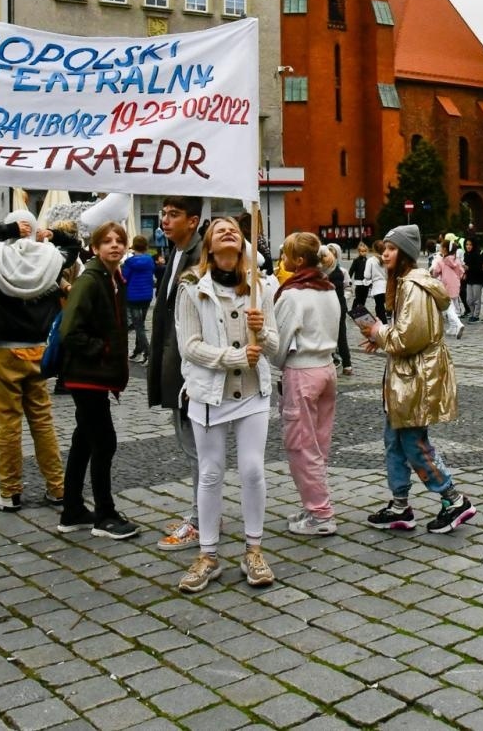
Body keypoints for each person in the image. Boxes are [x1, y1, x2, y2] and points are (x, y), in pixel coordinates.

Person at [175, 217, 280, 592]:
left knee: (252, 470)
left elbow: (276, 349)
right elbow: (189, 346)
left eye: (234, 228)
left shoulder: (261, 287)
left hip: (252, 394)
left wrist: (262, 328)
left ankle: (254, 550)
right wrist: (233, 358)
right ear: (208, 244)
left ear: (243, 243)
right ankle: (208, 555)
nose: (228, 230)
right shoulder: (192, 289)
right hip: (209, 396)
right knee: (211, 472)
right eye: (219, 228)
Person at [0, 212, 79, 512]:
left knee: (8, 424)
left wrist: (5, 228)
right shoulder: (48, 260)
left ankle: (9, 492)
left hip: (3, 351)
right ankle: (58, 488)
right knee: (42, 422)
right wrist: (52, 235)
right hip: (37, 350)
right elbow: (74, 248)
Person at [361, 225, 476, 534]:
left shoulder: (413, 286)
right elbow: (403, 335)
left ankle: (454, 499)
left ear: (406, 254)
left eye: (392, 248)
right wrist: (382, 338)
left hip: (415, 378)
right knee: (394, 441)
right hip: (403, 376)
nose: (385, 253)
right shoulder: (403, 284)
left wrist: (379, 333)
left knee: (413, 442)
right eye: (384, 247)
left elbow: (408, 338)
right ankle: (400, 505)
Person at [55, 221, 140, 540]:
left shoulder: (113, 277)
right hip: (86, 375)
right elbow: (70, 331)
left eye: (120, 241)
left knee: (84, 440)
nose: (115, 246)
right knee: (104, 442)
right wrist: (102, 350)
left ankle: (72, 509)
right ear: (95, 247)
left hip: (95, 376)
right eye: (107, 241)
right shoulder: (91, 280)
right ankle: (104, 514)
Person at [273, 232, 343, 536]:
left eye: (287, 255)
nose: (283, 261)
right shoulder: (328, 289)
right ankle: (313, 502)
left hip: (302, 371)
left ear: (299, 260)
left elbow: (278, 344)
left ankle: (320, 513)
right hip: (327, 367)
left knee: (301, 444)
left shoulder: (293, 294)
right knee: (319, 442)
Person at [147, 195, 205, 552]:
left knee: (198, 447)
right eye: (163, 214)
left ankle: (201, 520)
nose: (165, 221)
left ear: (193, 220)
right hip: (175, 363)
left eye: (173, 215)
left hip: (191, 368)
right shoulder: (177, 252)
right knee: (191, 445)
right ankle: (201, 511)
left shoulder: (200, 257)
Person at [319, 243, 353, 376]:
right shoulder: (321, 271)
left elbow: (348, 288)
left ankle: (347, 363)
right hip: (324, 307)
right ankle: (330, 360)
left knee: (341, 335)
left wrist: (343, 298)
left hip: (340, 305)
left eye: (333, 253)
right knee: (325, 333)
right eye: (328, 252)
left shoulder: (343, 271)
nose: (330, 256)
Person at [122, 236, 156, 362]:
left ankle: (148, 352)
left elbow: (124, 278)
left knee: (138, 326)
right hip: (147, 296)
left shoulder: (129, 262)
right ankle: (138, 350)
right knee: (140, 324)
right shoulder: (150, 260)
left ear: (134, 246)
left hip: (133, 296)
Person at [461, 237, 483, 322]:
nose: (468, 246)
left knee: (476, 299)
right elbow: (465, 267)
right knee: (469, 299)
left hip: (477, 280)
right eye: (467, 244)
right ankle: (471, 313)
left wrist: (469, 268)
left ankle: (476, 315)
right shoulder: (466, 254)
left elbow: (479, 268)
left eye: (470, 244)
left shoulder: (477, 254)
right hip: (469, 280)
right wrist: (464, 272)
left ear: (474, 245)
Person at [349, 240, 373, 313]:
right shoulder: (356, 260)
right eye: (361, 251)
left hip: (366, 282)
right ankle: (353, 310)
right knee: (358, 298)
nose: (363, 253)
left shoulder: (368, 260)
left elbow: (370, 271)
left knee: (364, 297)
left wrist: (371, 282)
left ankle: (361, 310)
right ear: (359, 252)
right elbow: (351, 270)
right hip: (359, 282)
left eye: (365, 251)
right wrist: (349, 279)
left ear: (367, 251)